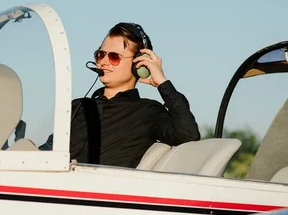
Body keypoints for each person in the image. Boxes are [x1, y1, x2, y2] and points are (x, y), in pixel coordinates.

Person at [39, 22, 200, 168]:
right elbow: (47, 150)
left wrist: (163, 84)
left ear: (139, 63)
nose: (103, 62)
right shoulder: (78, 107)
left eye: (114, 57)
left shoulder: (148, 111)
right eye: (100, 54)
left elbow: (188, 135)